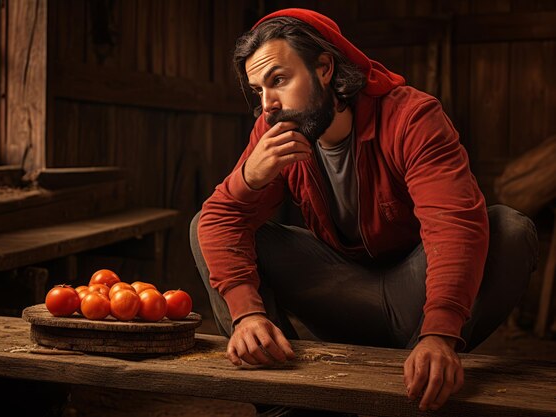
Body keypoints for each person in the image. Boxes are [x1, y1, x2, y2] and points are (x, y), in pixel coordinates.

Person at [190, 8, 538, 414]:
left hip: (416, 294)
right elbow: (218, 220)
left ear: (323, 68)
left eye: (279, 80)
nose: (268, 105)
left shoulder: (411, 116)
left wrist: (440, 335)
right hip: (345, 295)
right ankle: (285, 404)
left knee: (510, 228)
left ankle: (416, 384)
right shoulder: (273, 131)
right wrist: (246, 313)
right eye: (258, 91)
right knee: (206, 223)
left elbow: (452, 225)